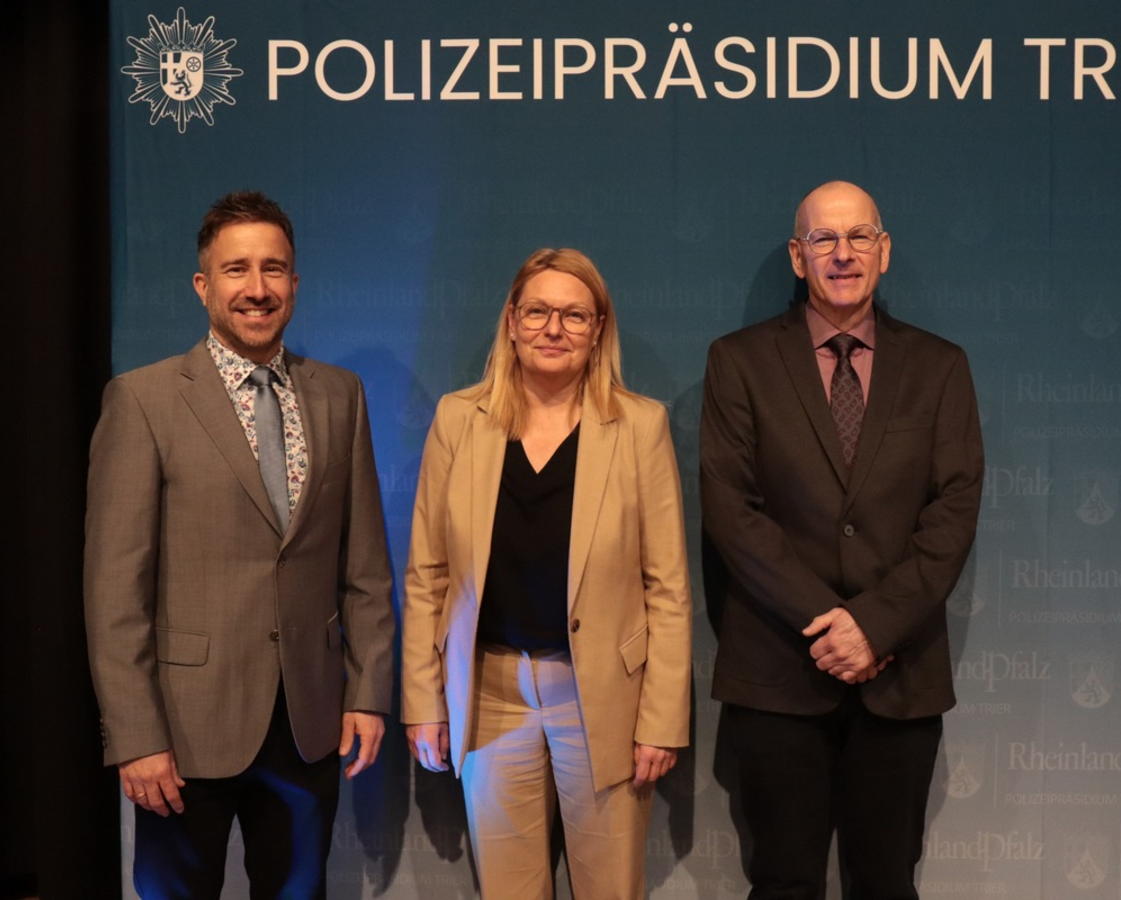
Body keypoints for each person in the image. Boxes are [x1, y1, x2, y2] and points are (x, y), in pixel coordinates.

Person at [83, 191, 395, 899]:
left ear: (295, 283)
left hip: (309, 723)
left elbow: (366, 569)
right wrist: (136, 736)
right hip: (183, 731)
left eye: (273, 269)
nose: (257, 288)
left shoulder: (340, 395)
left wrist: (369, 692)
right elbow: (113, 594)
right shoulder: (143, 400)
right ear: (203, 286)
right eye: (237, 270)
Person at [700, 181, 984, 899]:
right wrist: (832, 623)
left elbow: (953, 512)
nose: (843, 254)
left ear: (883, 250)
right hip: (779, 669)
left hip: (899, 674)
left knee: (886, 884)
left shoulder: (940, 366)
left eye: (859, 236)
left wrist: (875, 625)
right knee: (783, 882)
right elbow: (732, 511)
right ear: (798, 258)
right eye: (823, 239)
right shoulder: (738, 361)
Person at [402, 247, 692, 900]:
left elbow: (668, 589)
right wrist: (424, 701)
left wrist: (661, 720)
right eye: (536, 312)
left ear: (598, 329)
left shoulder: (640, 426)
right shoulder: (458, 419)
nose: (553, 329)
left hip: (603, 700)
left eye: (573, 315)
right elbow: (427, 575)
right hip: (490, 696)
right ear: (511, 321)